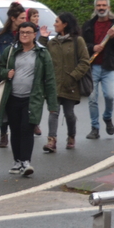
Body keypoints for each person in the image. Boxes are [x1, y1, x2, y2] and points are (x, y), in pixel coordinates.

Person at [0, 21, 57, 177]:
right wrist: (6, 73)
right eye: (22, 32)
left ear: (34, 34)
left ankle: (26, 162)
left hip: (32, 98)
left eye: (28, 32)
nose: (24, 35)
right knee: (15, 129)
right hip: (12, 97)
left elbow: (49, 79)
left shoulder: (42, 53)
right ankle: (17, 162)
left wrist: (52, 104)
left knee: (27, 129)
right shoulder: (10, 51)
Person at [40, 12, 90, 152]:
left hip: (71, 84)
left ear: (65, 24)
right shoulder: (52, 42)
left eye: (57, 21)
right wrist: (43, 38)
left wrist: (73, 77)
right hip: (54, 84)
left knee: (69, 114)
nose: (54, 24)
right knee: (53, 112)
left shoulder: (77, 41)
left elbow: (85, 62)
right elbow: (41, 56)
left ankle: (71, 136)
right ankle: (51, 141)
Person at [83, 0, 114, 139]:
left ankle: (107, 117)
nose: (101, 8)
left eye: (104, 5)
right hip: (92, 67)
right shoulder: (88, 25)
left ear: (108, 8)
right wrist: (93, 47)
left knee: (110, 96)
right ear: (95, 8)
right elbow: (82, 45)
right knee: (92, 99)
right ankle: (94, 128)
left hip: (108, 67)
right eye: (99, 5)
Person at [0, 2, 27, 148]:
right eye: (21, 18)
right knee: (4, 106)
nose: (24, 20)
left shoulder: (25, 34)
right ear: (13, 18)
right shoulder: (0, 34)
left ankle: (18, 132)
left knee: (18, 105)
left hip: (21, 75)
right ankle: (3, 134)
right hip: (3, 75)